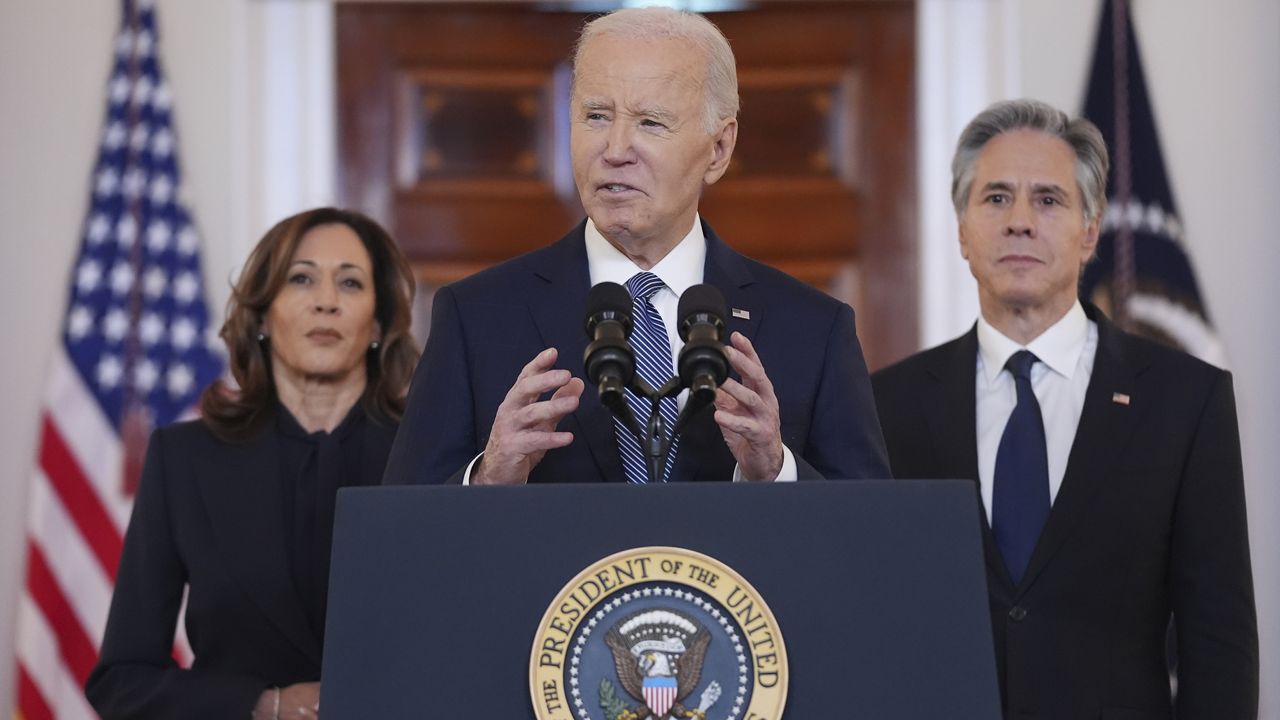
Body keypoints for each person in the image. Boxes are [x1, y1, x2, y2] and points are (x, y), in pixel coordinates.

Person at [382, 7, 888, 487]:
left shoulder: (814, 329)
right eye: (597, 116)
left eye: (650, 122)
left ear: (719, 149)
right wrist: (489, 478)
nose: (616, 150)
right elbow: (399, 537)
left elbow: (873, 540)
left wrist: (775, 471)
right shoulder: (476, 317)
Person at [872, 99, 1258, 718]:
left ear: (1089, 230)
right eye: (996, 198)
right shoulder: (889, 404)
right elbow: (871, 618)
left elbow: (1220, 643)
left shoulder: (1186, 402)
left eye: (1048, 200)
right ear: (963, 231)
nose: (1020, 220)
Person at [85, 208, 419, 719]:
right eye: (301, 278)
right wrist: (265, 705)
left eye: (350, 283)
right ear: (262, 316)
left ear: (376, 323)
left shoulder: (426, 455)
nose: (326, 302)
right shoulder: (184, 459)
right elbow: (121, 681)